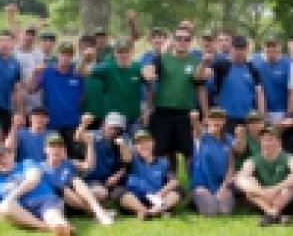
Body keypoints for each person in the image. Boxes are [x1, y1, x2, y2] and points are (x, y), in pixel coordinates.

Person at [142, 25, 207, 169]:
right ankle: (164, 179)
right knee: (161, 150)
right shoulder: (162, 59)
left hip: (186, 113)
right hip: (163, 112)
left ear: (191, 41)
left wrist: (205, 114)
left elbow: (200, 88)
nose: (182, 42)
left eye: (186, 39)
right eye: (178, 38)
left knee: (186, 151)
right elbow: (150, 82)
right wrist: (147, 109)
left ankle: (184, 184)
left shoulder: (195, 62)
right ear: (173, 40)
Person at [0, 143, 74, 236]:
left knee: (52, 216)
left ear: (12, 155)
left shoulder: (26, 164)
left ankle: (59, 226)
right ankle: (49, 228)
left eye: (4, 156)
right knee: (4, 207)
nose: (2, 161)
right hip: (22, 210)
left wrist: (11, 197)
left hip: (44, 200)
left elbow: (33, 179)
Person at [234, 126, 293, 226]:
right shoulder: (252, 160)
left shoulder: (289, 157)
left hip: (284, 200)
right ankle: (274, 213)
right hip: (262, 201)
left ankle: (271, 214)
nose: (266, 143)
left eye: (270, 140)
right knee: (249, 183)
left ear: (279, 142)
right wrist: (263, 192)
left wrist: (275, 189)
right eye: (264, 140)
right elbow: (240, 179)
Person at [39, 130, 115, 224]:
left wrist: (90, 145)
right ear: (45, 149)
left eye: (59, 146)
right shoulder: (40, 167)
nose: (56, 149)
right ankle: (99, 212)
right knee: (64, 190)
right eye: (52, 146)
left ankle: (98, 211)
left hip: (76, 199)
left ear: (64, 149)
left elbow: (88, 166)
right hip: (58, 203)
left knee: (98, 191)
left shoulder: (68, 162)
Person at [115, 129, 182, 220]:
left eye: (146, 141)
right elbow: (126, 158)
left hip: (157, 198)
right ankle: (145, 210)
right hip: (135, 199)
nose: (144, 145)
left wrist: (159, 194)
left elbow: (174, 181)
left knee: (178, 190)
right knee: (119, 191)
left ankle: (153, 211)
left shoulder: (163, 162)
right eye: (139, 143)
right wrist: (122, 145)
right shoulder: (132, 159)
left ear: (153, 143)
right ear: (134, 147)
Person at [31, 41, 85, 151]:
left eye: (69, 55)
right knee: (53, 153)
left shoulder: (77, 74)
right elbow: (32, 89)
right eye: (63, 54)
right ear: (58, 55)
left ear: (72, 56)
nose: (65, 57)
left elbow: (81, 96)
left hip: (72, 123)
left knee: (72, 154)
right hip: (52, 123)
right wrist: (35, 73)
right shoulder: (47, 72)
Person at [86, 39, 146, 132]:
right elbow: (83, 72)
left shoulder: (138, 67)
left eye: (126, 51)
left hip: (134, 118)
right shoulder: (107, 67)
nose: (123, 55)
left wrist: (147, 109)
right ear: (115, 53)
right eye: (120, 52)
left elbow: (150, 84)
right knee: (114, 143)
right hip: (114, 119)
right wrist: (85, 59)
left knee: (137, 142)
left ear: (131, 52)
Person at [209, 35, 265, 134]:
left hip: (248, 118)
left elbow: (259, 94)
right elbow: (203, 86)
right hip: (226, 118)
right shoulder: (220, 66)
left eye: (242, 49)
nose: (239, 52)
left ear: (246, 50)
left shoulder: (252, 68)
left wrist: (261, 116)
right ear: (231, 48)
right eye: (236, 48)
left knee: (246, 148)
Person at [189, 108, 236, 216]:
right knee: (210, 211)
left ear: (224, 121)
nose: (217, 121)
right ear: (207, 120)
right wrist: (194, 119)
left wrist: (223, 188)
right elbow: (196, 126)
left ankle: (208, 200)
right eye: (213, 118)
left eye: (220, 119)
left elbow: (230, 167)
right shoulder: (201, 136)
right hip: (202, 185)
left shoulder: (228, 139)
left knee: (225, 211)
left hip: (221, 185)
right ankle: (195, 199)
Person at [77, 111, 132, 203]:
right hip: (92, 179)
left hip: (113, 179)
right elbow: (78, 138)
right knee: (102, 194)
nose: (114, 131)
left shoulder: (123, 138)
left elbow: (128, 161)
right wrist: (83, 124)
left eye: (118, 128)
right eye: (111, 127)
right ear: (103, 125)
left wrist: (122, 146)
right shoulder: (94, 135)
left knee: (129, 187)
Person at [253, 33, 293, 124]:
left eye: (274, 46)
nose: (271, 49)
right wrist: (261, 115)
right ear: (263, 47)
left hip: (280, 112)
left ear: (279, 47)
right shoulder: (254, 61)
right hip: (258, 111)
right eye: (268, 46)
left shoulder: (288, 63)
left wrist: (289, 115)